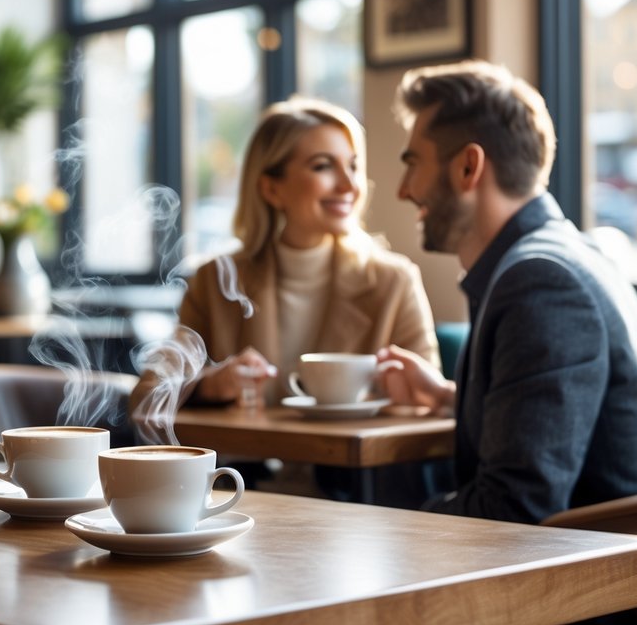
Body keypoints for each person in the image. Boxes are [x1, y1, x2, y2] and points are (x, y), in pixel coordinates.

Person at [380, 60, 637, 524]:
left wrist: (382, 533)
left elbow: (513, 512)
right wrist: (448, 397)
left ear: (468, 167)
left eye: (413, 164)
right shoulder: (562, 256)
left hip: (602, 584)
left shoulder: (540, 282)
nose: (404, 191)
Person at [132, 96, 440, 418]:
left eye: (352, 165)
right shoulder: (217, 279)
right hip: (240, 469)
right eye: (323, 166)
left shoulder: (394, 282)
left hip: (352, 468)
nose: (349, 185)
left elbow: (428, 403)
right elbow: (146, 396)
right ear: (271, 189)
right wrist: (210, 385)